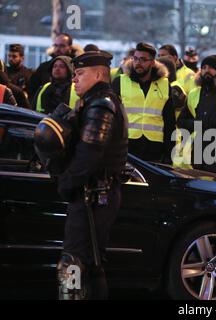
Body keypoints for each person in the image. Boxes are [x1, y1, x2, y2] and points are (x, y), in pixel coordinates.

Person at [35, 51, 128, 299]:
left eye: (80, 73)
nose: (74, 79)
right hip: (97, 193)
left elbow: (90, 151)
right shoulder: (98, 101)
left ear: (98, 74)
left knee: (72, 263)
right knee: (91, 264)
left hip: (94, 195)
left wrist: (67, 182)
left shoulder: (100, 105)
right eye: (74, 74)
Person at [112, 42, 175, 163]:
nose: (138, 63)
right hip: (127, 144)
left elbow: (170, 121)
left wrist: (169, 154)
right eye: (135, 59)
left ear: (152, 62)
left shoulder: (164, 84)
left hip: (155, 147)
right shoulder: (120, 81)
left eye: (143, 59)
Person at [28, 33, 83, 99]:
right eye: (55, 45)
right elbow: (32, 90)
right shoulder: (44, 67)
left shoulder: (78, 68)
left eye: (62, 46)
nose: (58, 49)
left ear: (70, 47)